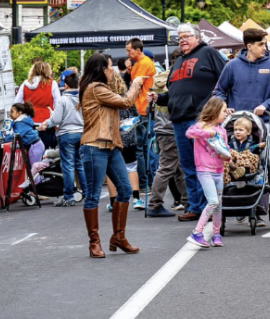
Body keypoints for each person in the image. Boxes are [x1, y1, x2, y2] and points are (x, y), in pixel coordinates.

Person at [150, 24, 226, 223]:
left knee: (205, 164)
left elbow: (225, 80)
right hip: (179, 119)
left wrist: (221, 107)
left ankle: (209, 206)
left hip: (200, 119)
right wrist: (159, 98)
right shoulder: (178, 62)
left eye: (186, 36)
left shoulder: (209, 53)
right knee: (188, 166)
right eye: (180, 37)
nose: (182, 40)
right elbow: (174, 92)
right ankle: (195, 206)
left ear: (197, 37)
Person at [78, 54, 145, 259]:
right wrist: (135, 84)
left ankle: (118, 237)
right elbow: (126, 101)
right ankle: (94, 242)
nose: (112, 71)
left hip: (110, 146)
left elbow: (111, 109)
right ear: (101, 70)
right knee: (93, 195)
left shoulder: (99, 89)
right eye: (109, 67)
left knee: (125, 189)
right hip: (95, 146)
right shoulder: (95, 88)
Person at [184, 97, 231, 249]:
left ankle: (216, 233)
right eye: (223, 111)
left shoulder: (222, 130)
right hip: (205, 170)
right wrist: (208, 133)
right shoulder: (201, 126)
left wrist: (227, 156)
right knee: (213, 202)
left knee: (218, 205)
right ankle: (197, 232)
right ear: (214, 111)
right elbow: (190, 133)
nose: (226, 114)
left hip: (218, 170)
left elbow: (225, 148)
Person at [145, 68, 188, 216]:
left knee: (178, 169)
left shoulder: (157, 82)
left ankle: (187, 201)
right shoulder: (174, 83)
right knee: (167, 168)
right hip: (171, 130)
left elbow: (150, 110)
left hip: (162, 129)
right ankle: (155, 204)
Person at [40, 71, 86, 207]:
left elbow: (56, 119)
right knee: (80, 164)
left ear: (66, 86)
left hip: (66, 134)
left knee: (68, 166)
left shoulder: (62, 100)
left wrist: (46, 123)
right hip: (81, 133)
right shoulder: (83, 98)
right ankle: (87, 192)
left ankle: (69, 196)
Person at [124, 38, 156, 210]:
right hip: (142, 108)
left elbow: (135, 85)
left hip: (141, 108)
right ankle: (146, 182)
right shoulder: (140, 63)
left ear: (138, 50)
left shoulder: (143, 63)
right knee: (143, 148)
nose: (127, 53)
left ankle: (143, 184)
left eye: (129, 50)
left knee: (139, 149)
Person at [14, 60, 60, 146]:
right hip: (46, 122)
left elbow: (16, 104)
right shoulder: (52, 84)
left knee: (30, 149)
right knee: (46, 150)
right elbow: (58, 104)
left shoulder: (25, 84)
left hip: (29, 122)